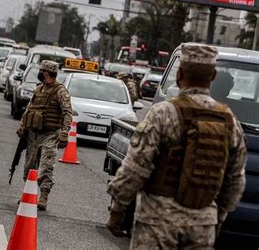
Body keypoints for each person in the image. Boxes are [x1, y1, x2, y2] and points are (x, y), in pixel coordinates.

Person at [106, 43, 247, 249]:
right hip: (201, 225)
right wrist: (218, 217)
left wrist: (117, 210)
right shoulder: (230, 121)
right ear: (213, 76)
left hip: (157, 222)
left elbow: (136, 166)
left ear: (179, 74)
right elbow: (235, 180)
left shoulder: (163, 113)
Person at [16, 60, 72, 211]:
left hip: (50, 134)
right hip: (33, 134)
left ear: (46, 73)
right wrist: (22, 125)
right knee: (29, 166)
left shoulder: (60, 91)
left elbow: (67, 112)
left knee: (47, 165)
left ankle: (43, 196)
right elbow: (29, 109)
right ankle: (28, 194)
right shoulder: (39, 89)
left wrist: (65, 132)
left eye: (41, 71)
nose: (40, 74)